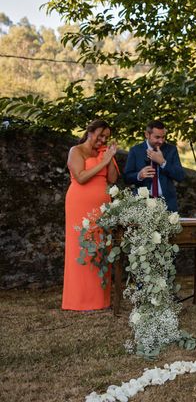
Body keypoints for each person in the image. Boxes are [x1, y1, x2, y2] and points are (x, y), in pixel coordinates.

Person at [62, 119, 119, 311]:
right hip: (79, 204)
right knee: (81, 248)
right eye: (100, 135)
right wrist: (102, 161)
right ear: (90, 131)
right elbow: (81, 177)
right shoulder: (76, 151)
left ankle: (100, 300)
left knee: (101, 247)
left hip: (103, 208)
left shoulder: (104, 153)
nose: (102, 140)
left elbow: (112, 179)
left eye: (106, 137)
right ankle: (78, 300)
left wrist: (109, 157)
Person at [124, 120, 185, 213]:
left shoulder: (171, 150)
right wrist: (139, 175)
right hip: (142, 206)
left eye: (163, 137)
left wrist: (163, 162)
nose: (161, 141)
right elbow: (126, 177)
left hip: (167, 205)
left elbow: (180, 176)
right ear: (147, 135)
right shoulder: (135, 151)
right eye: (157, 137)